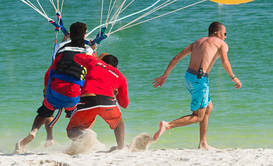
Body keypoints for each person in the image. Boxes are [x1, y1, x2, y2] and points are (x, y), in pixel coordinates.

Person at [134, 21, 240, 151]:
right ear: (218, 33)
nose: (225, 36)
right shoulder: (222, 44)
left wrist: (165, 75)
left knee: (208, 107)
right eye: (225, 33)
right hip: (200, 80)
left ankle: (203, 143)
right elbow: (225, 61)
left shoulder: (198, 42)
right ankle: (167, 125)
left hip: (189, 78)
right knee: (198, 116)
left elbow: (176, 57)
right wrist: (233, 77)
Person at [15, 21, 95, 152]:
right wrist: (93, 47)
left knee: (44, 111)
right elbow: (91, 68)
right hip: (73, 95)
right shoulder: (89, 51)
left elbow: (53, 66)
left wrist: (47, 88)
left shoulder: (61, 46)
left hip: (55, 91)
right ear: (84, 35)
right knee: (76, 117)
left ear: (70, 34)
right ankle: (79, 139)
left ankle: (33, 132)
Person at [66, 53, 130, 151]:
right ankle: (121, 147)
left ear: (102, 61)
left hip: (88, 101)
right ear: (116, 67)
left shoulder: (95, 62)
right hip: (107, 102)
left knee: (71, 130)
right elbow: (124, 104)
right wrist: (116, 93)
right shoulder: (120, 76)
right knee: (118, 121)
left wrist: (95, 57)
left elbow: (76, 57)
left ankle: (86, 136)